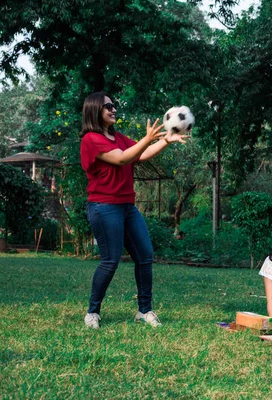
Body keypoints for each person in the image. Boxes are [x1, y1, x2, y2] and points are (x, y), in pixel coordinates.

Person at [80, 92, 190, 329]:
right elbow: (121, 159)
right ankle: (93, 312)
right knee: (110, 260)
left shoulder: (118, 137)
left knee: (145, 255)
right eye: (107, 106)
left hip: (126, 206)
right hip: (103, 206)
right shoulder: (91, 139)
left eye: (114, 105)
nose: (113, 109)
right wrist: (147, 138)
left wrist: (165, 141)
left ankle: (144, 310)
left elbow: (140, 155)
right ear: (94, 110)